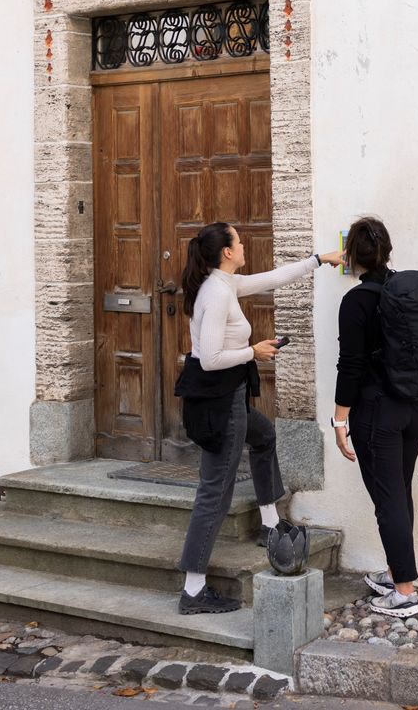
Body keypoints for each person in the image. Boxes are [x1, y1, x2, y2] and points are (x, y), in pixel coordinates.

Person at [174, 221, 341, 615]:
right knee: (214, 493)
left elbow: (270, 278)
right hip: (219, 401)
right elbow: (211, 359)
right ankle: (193, 589)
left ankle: (269, 524)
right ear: (227, 251)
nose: (244, 244)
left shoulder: (223, 283)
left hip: (230, 397)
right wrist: (255, 352)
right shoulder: (216, 293)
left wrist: (319, 259)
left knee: (264, 436)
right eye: (239, 240)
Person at [331, 215, 418, 619]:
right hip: (417, 407)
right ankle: (395, 573)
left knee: (388, 498)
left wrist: (340, 421)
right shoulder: (405, 291)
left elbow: (350, 365)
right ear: (386, 251)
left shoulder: (357, 301)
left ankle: (404, 593)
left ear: (352, 256)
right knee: (398, 492)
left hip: (378, 413)